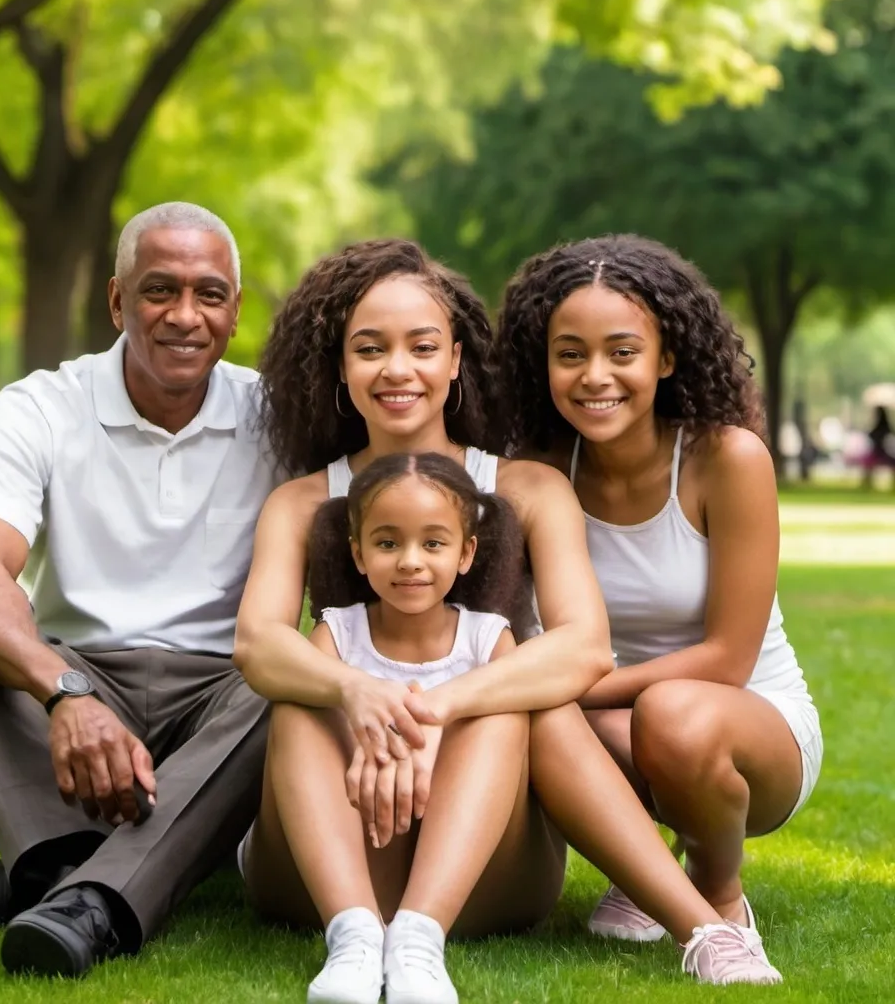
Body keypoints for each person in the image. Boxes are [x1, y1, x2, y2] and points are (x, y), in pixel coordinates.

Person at [233, 237, 783, 1004]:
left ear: (456, 360)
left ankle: (703, 929)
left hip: (486, 857)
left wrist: (431, 706)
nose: (398, 369)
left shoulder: (526, 489)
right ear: (339, 367)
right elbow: (258, 643)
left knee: (525, 697)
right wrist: (359, 696)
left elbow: (584, 646)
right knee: (301, 695)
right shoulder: (299, 503)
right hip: (328, 852)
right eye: (370, 349)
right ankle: (354, 937)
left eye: (422, 347)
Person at [0, 202, 283, 977]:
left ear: (235, 311)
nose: (185, 316)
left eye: (210, 294)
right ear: (117, 301)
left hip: (223, 702)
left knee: (290, 678)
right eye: (160, 290)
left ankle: (62, 889)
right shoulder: (41, 407)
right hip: (80, 676)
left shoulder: (277, 417)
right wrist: (64, 694)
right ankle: (85, 876)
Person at [496, 233, 823, 946]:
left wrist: (569, 684)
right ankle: (643, 874)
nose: (594, 376)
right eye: (570, 353)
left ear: (665, 358)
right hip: (608, 721)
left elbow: (727, 660)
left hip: (746, 724)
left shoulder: (726, 459)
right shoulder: (538, 470)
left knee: (670, 714)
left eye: (622, 351)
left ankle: (718, 894)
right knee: (525, 716)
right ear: (541, 362)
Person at [297, 450, 529, 1002]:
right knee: (299, 700)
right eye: (386, 543)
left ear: (466, 553)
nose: (409, 561)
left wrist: (428, 731)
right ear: (357, 553)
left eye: (432, 543)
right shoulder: (337, 634)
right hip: (360, 847)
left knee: (501, 706)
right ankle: (353, 935)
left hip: (463, 863)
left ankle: (418, 940)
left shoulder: (488, 639)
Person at [862, 405, 895, 489]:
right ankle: (866, 485)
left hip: (880, 453)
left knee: (867, 464)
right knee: (867, 464)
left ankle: (866, 485)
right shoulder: (886, 428)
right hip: (882, 453)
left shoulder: (879, 429)